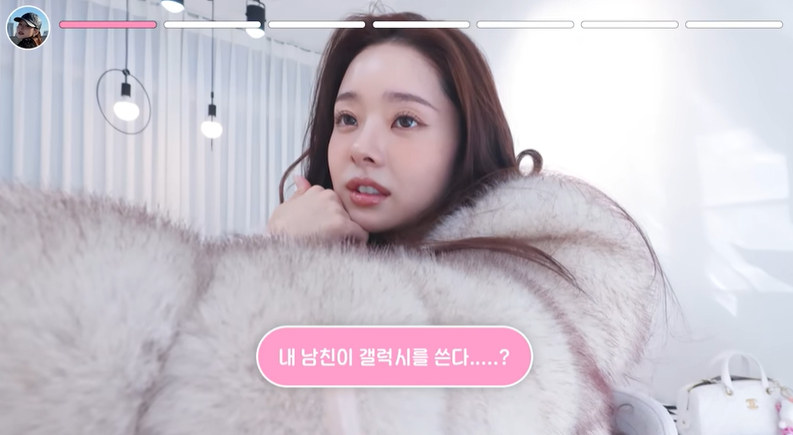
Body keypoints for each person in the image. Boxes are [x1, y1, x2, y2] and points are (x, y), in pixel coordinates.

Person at [0, 10, 672, 435]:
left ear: (466, 140)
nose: (361, 146)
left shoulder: (528, 288)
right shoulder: (350, 257)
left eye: (404, 120)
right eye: (346, 118)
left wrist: (284, 263)